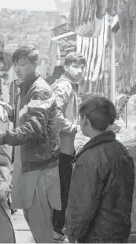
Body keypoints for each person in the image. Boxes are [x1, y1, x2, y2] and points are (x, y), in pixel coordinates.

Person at [0, 45, 61, 243]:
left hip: (40, 165)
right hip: (28, 160)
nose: (17, 69)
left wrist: (2, 137)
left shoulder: (40, 90)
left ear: (35, 64)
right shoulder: (26, 87)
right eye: (15, 64)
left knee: (40, 221)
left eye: (22, 64)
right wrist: (10, 111)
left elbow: (34, 127)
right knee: (30, 215)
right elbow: (26, 117)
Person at [64, 96, 135, 243]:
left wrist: (72, 234)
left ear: (85, 121)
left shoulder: (89, 158)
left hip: (96, 236)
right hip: (119, 233)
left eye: (80, 118)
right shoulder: (121, 150)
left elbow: (82, 205)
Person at [50, 52, 85, 241]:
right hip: (63, 147)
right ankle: (56, 230)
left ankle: (57, 228)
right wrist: (73, 128)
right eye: (75, 67)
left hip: (65, 145)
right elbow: (54, 113)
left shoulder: (70, 85)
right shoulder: (64, 86)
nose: (79, 71)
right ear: (66, 67)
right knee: (63, 189)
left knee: (63, 188)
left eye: (81, 67)